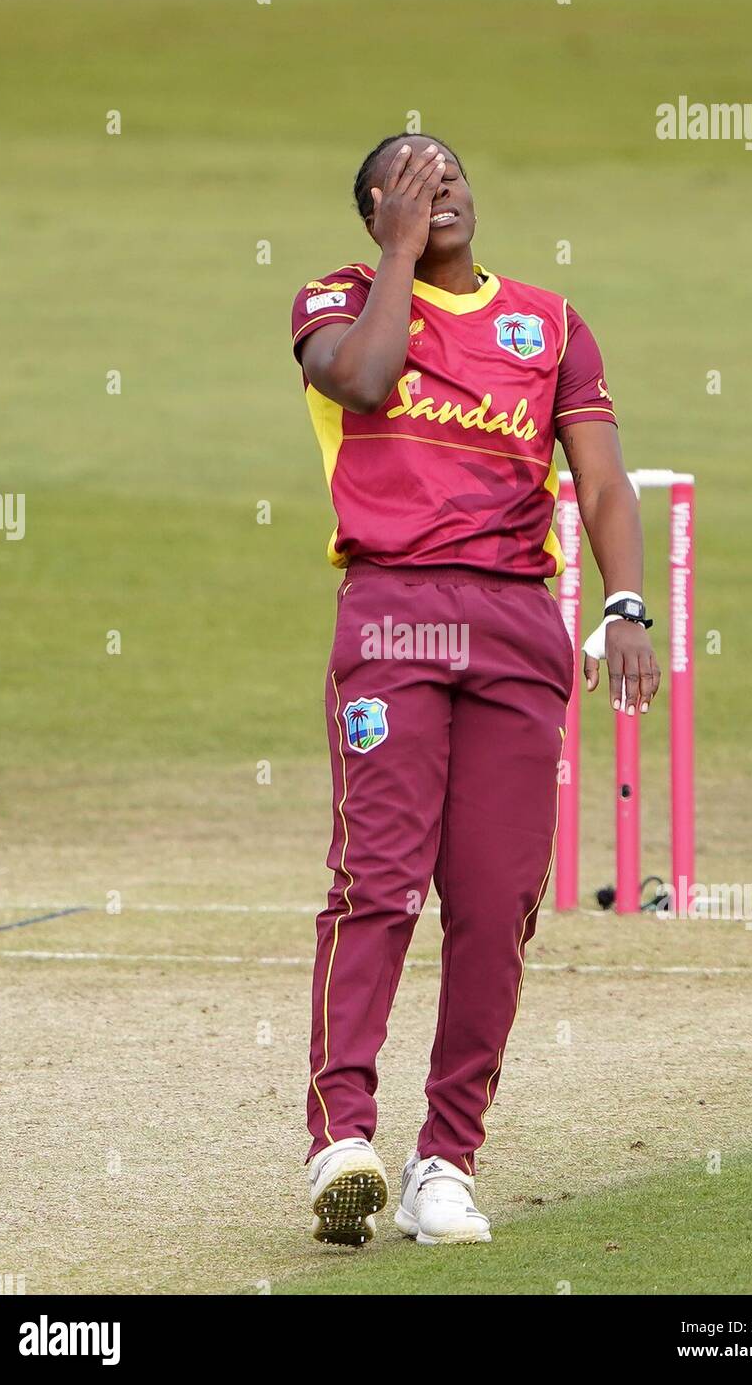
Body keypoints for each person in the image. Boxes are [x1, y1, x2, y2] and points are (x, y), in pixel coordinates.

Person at [290, 134, 660, 1247]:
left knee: (495, 906)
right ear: (370, 214)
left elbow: (597, 479)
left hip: (513, 622)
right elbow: (359, 378)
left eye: (444, 173)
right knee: (378, 879)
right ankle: (338, 1139)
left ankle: (443, 1160)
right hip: (392, 609)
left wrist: (625, 605)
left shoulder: (548, 322)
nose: (430, 187)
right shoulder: (337, 300)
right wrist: (398, 256)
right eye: (402, 182)